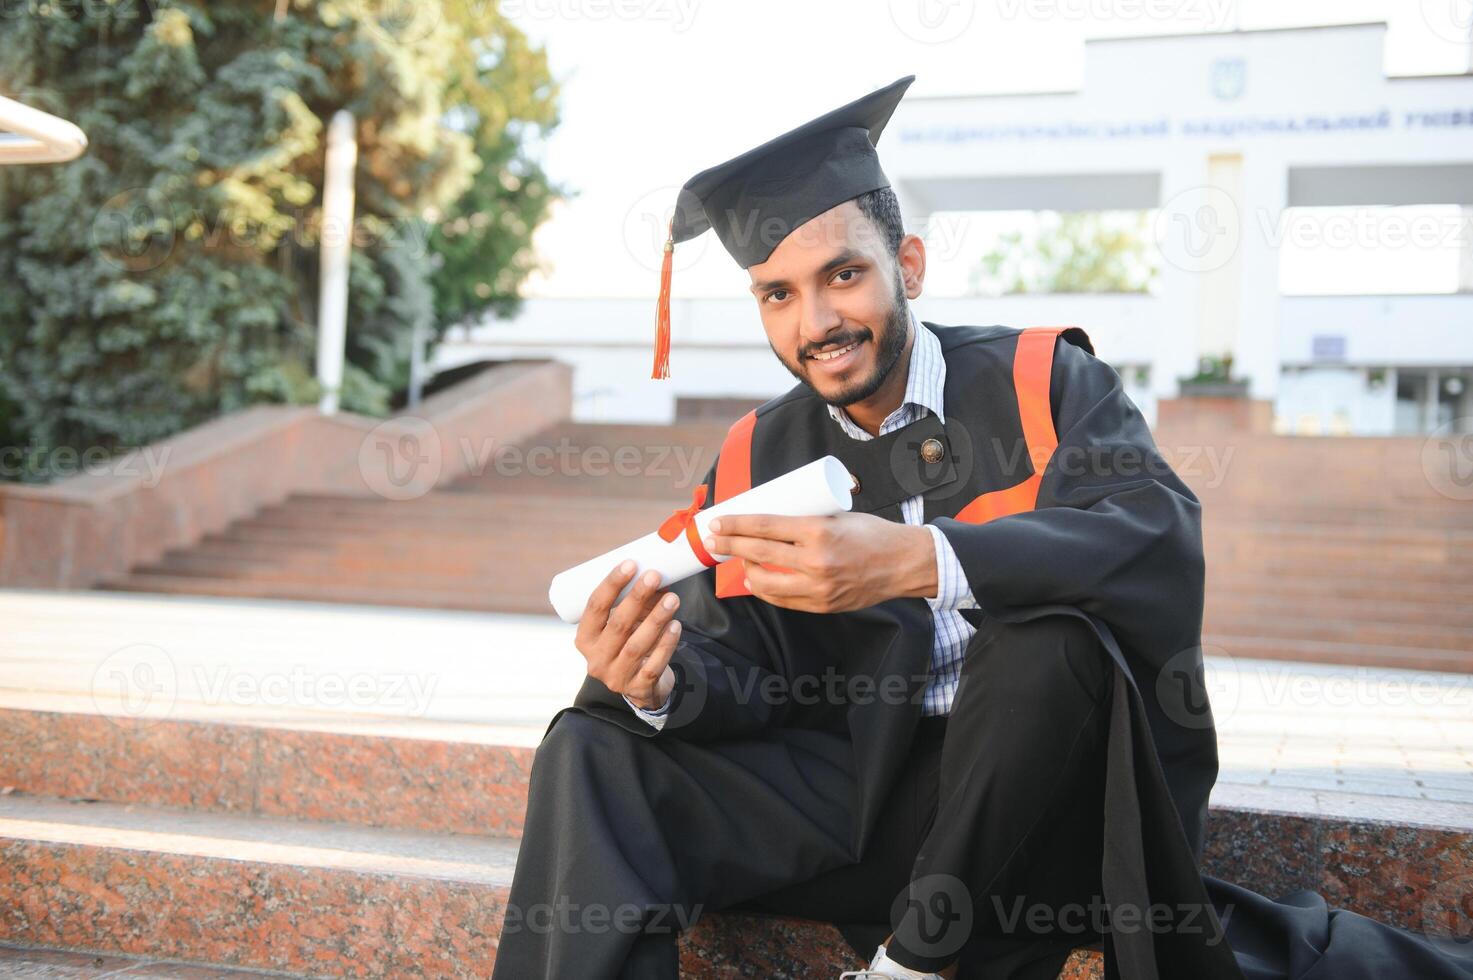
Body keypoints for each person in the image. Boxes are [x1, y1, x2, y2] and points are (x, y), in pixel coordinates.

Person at [490, 76, 1473, 980]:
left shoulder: (1047, 383)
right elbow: (740, 678)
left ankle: (910, 968)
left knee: (1049, 634)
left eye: (843, 275)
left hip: (1041, 824)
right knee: (591, 742)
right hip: (863, 817)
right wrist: (659, 680)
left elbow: (1156, 539)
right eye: (778, 294)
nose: (815, 319)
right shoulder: (756, 458)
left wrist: (924, 559)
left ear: (906, 262)